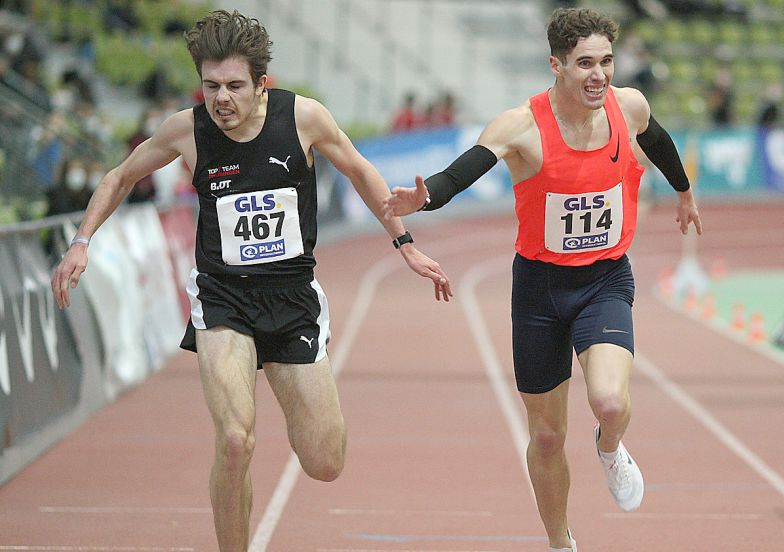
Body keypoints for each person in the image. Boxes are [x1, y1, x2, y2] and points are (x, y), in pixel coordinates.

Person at [50, 10, 452, 551]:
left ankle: (295, 383)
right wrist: (82, 242)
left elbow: (359, 169)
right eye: (211, 86)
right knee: (236, 440)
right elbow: (120, 176)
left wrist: (404, 244)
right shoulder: (186, 131)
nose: (221, 99)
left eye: (235, 86)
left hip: (291, 297)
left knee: (325, 461)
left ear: (262, 82)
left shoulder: (303, 119)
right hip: (222, 298)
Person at [383, 8, 701, 551]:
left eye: (605, 61)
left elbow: (659, 139)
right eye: (584, 64)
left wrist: (684, 191)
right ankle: (561, 542)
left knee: (610, 403)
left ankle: (610, 448)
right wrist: (425, 198)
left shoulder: (629, 106)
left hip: (604, 280)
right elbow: (462, 172)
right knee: (548, 437)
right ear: (556, 65)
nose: (598, 74)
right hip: (539, 291)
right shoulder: (520, 127)